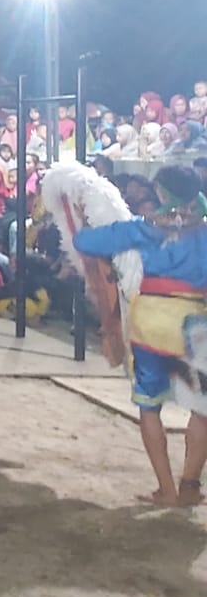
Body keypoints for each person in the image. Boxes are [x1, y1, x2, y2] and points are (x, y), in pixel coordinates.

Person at [72, 165, 207, 507]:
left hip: (151, 322)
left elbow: (84, 241)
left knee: (150, 406)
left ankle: (166, 489)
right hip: (195, 323)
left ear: (161, 192)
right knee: (202, 409)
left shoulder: (146, 228)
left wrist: (144, 223)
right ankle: (190, 486)